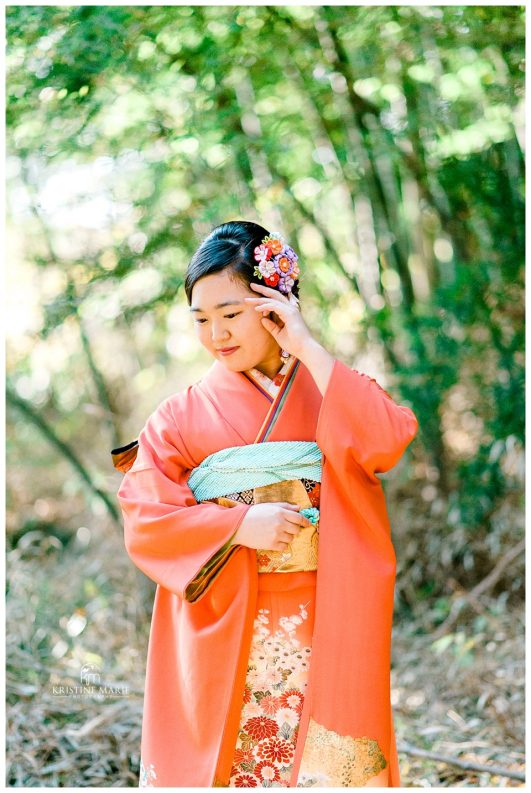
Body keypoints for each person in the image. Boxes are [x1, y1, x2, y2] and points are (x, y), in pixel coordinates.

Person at [112, 220, 419, 788]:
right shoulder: (178, 418)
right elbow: (145, 513)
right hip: (227, 615)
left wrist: (305, 346)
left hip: (324, 613)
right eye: (201, 320)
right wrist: (236, 524)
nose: (216, 335)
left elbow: (388, 436)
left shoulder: (329, 388)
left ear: (275, 302)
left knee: (321, 767)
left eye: (231, 315)